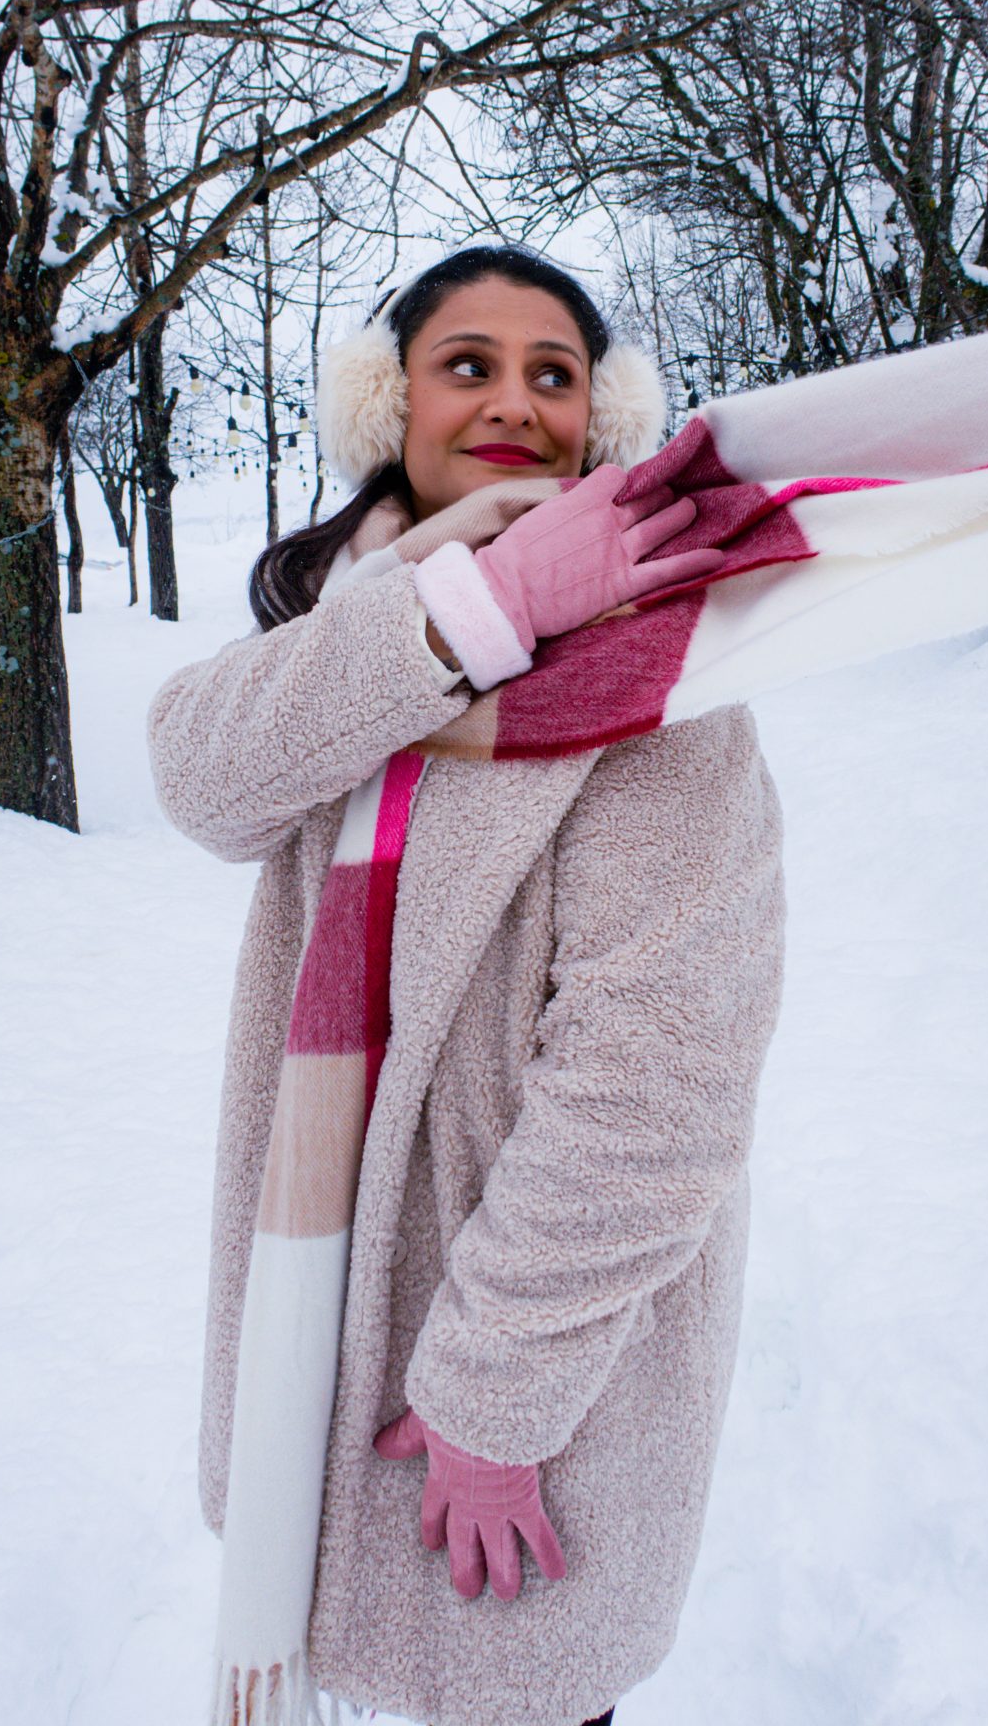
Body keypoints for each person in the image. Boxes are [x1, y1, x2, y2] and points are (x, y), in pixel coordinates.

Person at [147, 245, 787, 1726]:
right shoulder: (350, 634)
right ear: (394, 402)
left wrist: (495, 1400)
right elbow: (202, 779)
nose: (512, 400)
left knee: (516, 1690)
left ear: (598, 421)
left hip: (529, 1367)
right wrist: (463, 613)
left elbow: (661, 1082)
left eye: (553, 373)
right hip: (317, 1307)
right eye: (468, 363)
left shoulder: (659, 681)